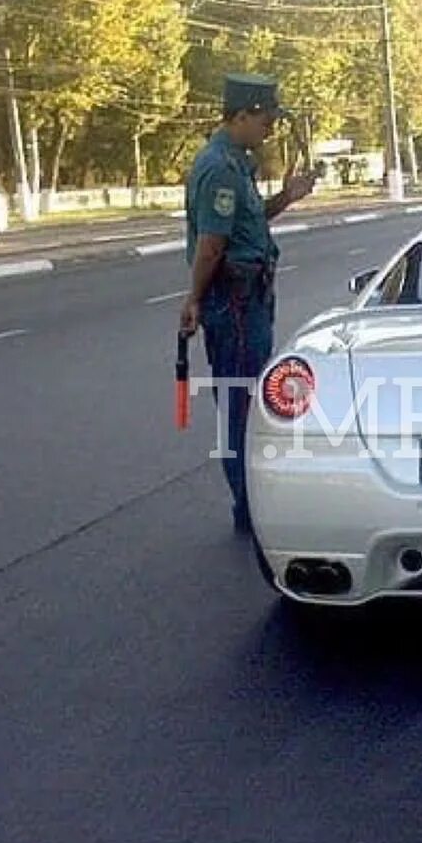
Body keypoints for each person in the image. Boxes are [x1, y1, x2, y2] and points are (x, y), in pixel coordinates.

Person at [178, 73, 317, 533]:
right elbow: (212, 244)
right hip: (233, 302)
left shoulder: (237, 163)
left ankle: (253, 501)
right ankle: (249, 506)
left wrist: (288, 197)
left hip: (250, 297)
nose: (271, 129)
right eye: (266, 119)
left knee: (252, 397)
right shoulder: (219, 167)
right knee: (242, 403)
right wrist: (193, 299)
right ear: (240, 115)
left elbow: (248, 221)